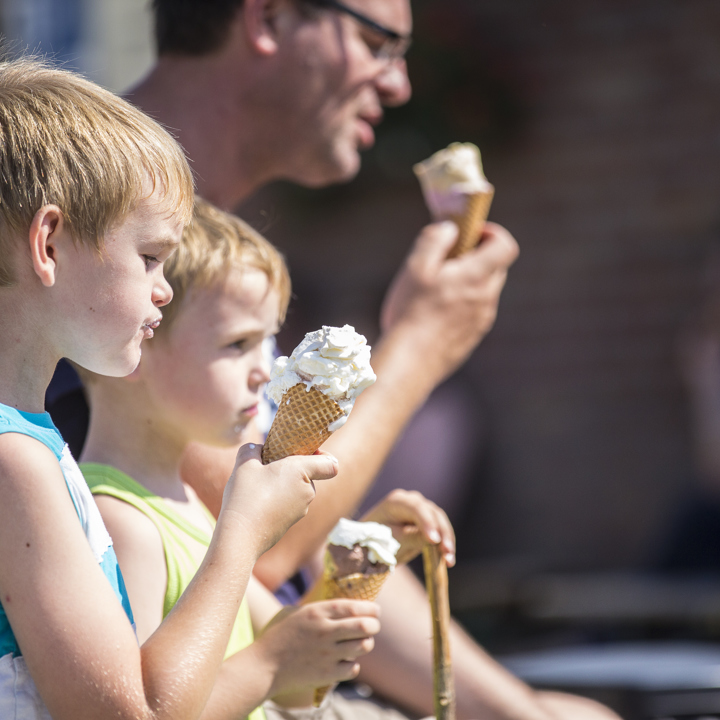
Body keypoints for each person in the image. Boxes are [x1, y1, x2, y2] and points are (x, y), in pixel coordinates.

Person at [125, 3, 618, 719]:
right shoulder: (104, 237)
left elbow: (306, 543)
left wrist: (510, 709)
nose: (400, 85)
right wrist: (419, 344)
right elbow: (271, 537)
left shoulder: (208, 248)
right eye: (378, 42)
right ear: (267, 17)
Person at [0, 56, 336, 720]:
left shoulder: (32, 445)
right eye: (149, 256)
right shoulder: (16, 462)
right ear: (49, 244)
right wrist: (240, 534)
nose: (164, 287)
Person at [79, 196, 458, 720]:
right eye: (237, 343)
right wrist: (272, 666)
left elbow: (294, 685)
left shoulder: (186, 503)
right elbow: (148, 710)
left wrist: (356, 559)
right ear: (136, 337)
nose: (266, 371)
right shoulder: (120, 522)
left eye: (269, 342)